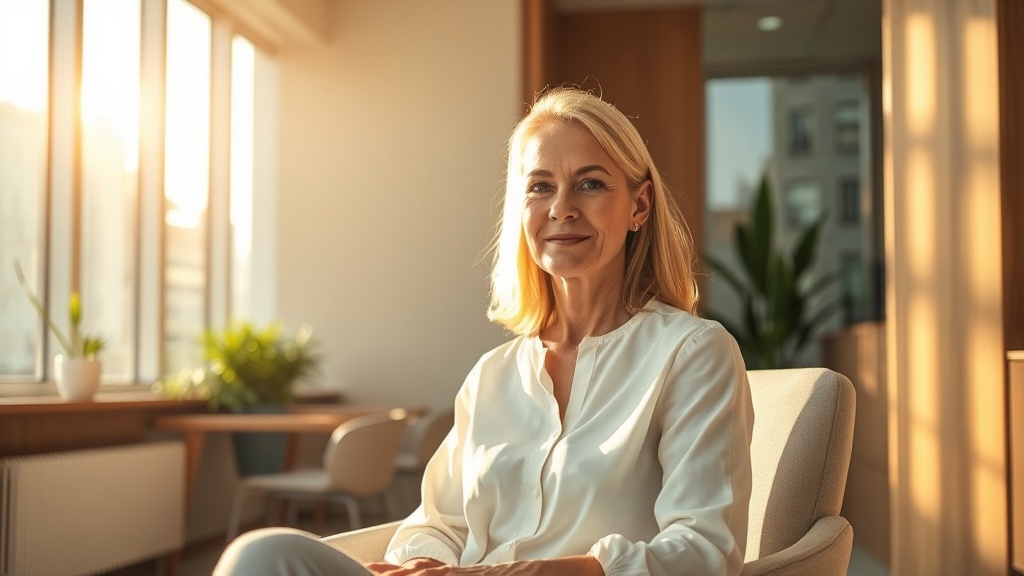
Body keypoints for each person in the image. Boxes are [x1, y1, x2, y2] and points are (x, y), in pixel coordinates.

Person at [214, 87, 754, 576]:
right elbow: (436, 523)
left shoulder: (693, 353)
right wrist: (428, 565)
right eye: (540, 187)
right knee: (261, 554)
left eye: (590, 184)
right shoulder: (492, 376)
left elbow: (704, 552)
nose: (561, 209)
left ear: (638, 205)